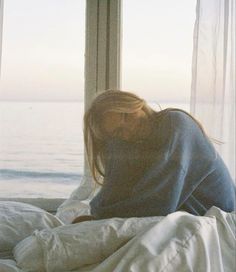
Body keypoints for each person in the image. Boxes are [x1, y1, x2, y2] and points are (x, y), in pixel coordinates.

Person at [78, 89, 235, 221]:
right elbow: (112, 192)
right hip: (183, 213)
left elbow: (160, 203)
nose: (130, 128)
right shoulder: (128, 143)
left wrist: (101, 217)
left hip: (219, 217)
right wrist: (115, 146)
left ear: (135, 102)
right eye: (119, 131)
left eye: (126, 115)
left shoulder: (176, 124)